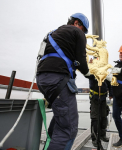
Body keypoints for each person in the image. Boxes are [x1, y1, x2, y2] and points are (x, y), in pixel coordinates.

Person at [36, 13, 90, 150]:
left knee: (60, 119)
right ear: (77, 23)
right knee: (68, 130)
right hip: (58, 80)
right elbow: (81, 62)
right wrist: (89, 74)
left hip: (42, 78)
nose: (82, 32)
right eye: (83, 29)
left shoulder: (52, 33)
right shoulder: (77, 32)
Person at [87, 58, 113, 147]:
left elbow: (110, 83)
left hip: (103, 98)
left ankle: (102, 135)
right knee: (95, 118)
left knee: (104, 117)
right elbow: (87, 74)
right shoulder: (92, 71)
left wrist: (111, 93)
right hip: (94, 98)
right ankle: (94, 138)